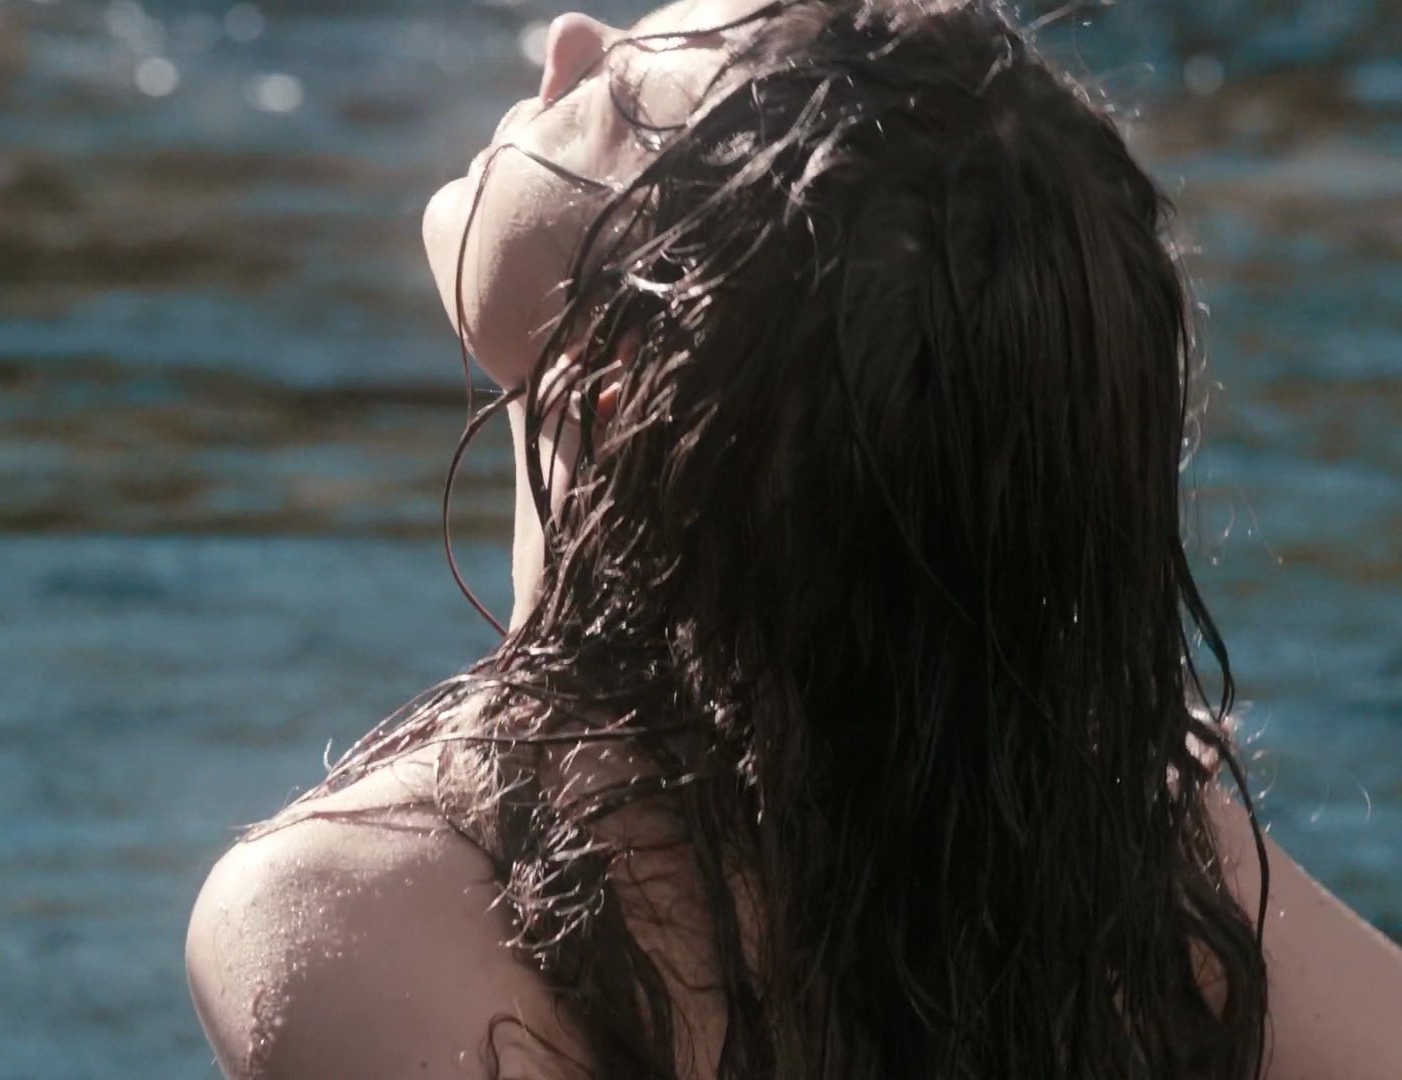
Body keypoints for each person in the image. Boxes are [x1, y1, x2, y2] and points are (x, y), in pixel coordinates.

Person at [185, 0, 1402, 1076]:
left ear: (625, 385)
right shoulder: (1124, 869)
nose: (567, 42)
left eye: (610, 103)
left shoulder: (363, 924)